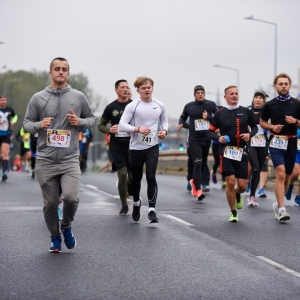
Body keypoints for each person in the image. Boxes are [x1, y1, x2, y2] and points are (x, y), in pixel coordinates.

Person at [23, 57, 96, 253]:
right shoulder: (38, 98)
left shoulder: (78, 96)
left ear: (68, 73)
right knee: (50, 204)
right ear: (50, 72)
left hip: (69, 159)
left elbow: (92, 120)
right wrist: (40, 125)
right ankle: (55, 236)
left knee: (71, 198)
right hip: (45, 160)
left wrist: (79, 121)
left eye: (64, 69)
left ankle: (66, 226)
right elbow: (26, 124)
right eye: (57, 69)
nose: (60, 72)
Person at [119, 76, 168, 223]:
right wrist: (137, 129)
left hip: (152, 146)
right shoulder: (132, 106)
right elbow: (122, 125)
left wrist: (164, 131)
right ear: (138, 90)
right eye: (143, 88)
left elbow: (164, 121)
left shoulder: (160, 105)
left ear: (152, 88)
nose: (147, 90)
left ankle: (152, 210)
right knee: (136, 179)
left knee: (151, 176)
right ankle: (136, 203)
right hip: (135, 147)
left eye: (149, 87)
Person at [207, 85, 258, 222]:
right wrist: (218, 138)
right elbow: (209, 132)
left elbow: (254, 128)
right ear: (225, 97)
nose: (234, 96)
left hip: (242, 151)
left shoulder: (245, 111)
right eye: (231, 94)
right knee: (230, 182)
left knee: (242, 185)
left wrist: (249, 135)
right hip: (227, 151)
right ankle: (233, 212)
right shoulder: (220, 113)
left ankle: (238, 194)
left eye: (236, 93)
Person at [260, 73, 300, 222]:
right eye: (280, 84)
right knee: (281, 173)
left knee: (288, 175)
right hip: (276, 142)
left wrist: (295, 121)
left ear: (289, 86)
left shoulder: (296, 104)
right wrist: (271, 126)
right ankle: (282, 210)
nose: (283, 86)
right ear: (275, 86)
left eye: (286, 84)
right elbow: (262, 122)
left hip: (291, 142)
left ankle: (278, 202)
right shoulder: (270, 104)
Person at [98, 79, 133, 215]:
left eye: (127, 87)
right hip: (117, 145)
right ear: (116, 90)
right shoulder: (111, 107)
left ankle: (129, 190)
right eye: (122, 87)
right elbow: (101, 125)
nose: (125, 89)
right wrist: (109, 130)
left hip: (132, 145)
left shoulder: (134, 105)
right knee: (123, 175)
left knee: (133, 178)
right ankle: (124, 205)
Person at [177, 85, 217, 200]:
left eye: (202, 93)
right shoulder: (189, 106)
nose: (200, 94)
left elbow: (219, 117)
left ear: (204, 94)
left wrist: (208, 116)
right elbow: (183, 117)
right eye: (198, 93)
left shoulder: (211, 105)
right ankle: (198, 189)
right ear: (194, 94)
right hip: (194, 139)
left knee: (203, 162)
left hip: (206, 138)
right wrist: (180, 123)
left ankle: (198, 182)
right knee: (197, 163)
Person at [246, 91, 269, 207]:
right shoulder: (247, 110)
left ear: (264, 100)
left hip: (263, 143)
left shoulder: (267, 111)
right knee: (255, 169)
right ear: (253, 99)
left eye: (261, 98)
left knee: (258, 169)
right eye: (256, 97)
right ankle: (251, 196)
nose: (258, 99)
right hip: (251, 143)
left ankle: (252, 195)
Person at [0, 95, 17, 181]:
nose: (3, 101)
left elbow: (15, 116)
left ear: (6, 101)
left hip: (6, 134)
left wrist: (13, 122)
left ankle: (4, 173)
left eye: (4, 100)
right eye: (1, 100)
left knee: (5, 153)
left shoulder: (10, 110)